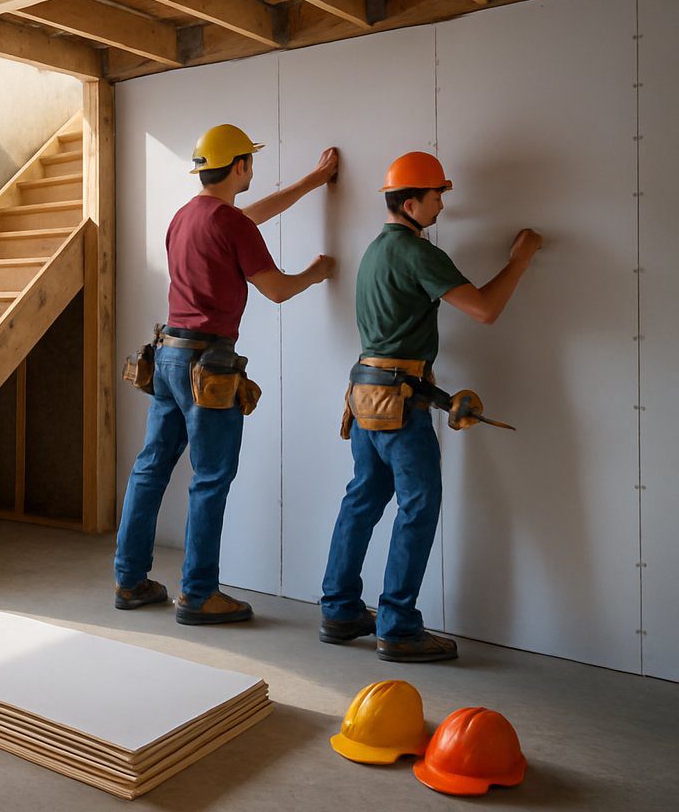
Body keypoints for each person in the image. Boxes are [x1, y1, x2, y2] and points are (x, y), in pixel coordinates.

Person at [319, 151, 541, 662]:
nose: (443, 203)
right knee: (418, 506)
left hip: (364, 397)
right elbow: (484, 310)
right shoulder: (419, 254)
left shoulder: (374, 251)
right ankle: (397, 628)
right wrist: (520, 260)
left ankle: (338, 609)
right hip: (400, 405)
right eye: (437, 194)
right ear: (412, 202)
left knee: (362, 500)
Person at [115, 123, 338, 624]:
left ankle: (129, 581)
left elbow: (251, 217)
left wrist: (312, 181)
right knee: (211, 477)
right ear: (239, 166)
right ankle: (199, 594)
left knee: (151, 469)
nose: (252, 169)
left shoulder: (185, 217)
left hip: (167, 356)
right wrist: (316, 273)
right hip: (208, 366)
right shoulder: (231, 224)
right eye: (250, 162)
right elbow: (277, 289)